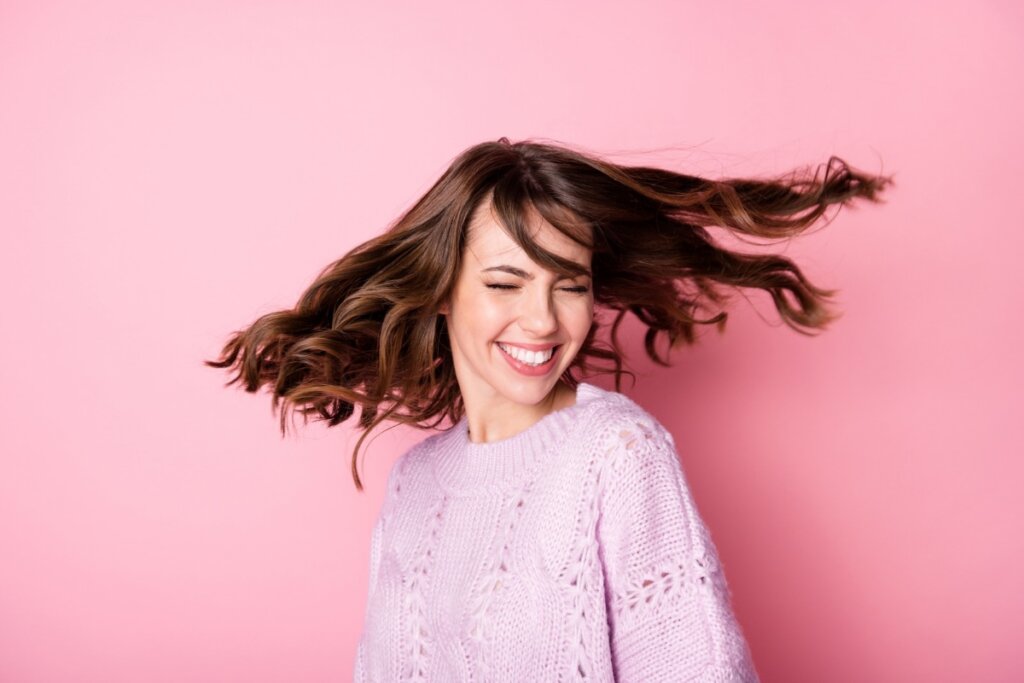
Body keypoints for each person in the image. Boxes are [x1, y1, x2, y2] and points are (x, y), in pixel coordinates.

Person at [205, 137, 892, 681]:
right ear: (442, 290)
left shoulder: (616, 453)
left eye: (569, 285)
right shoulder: (413, 484)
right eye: (506, 282)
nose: (542, 320)